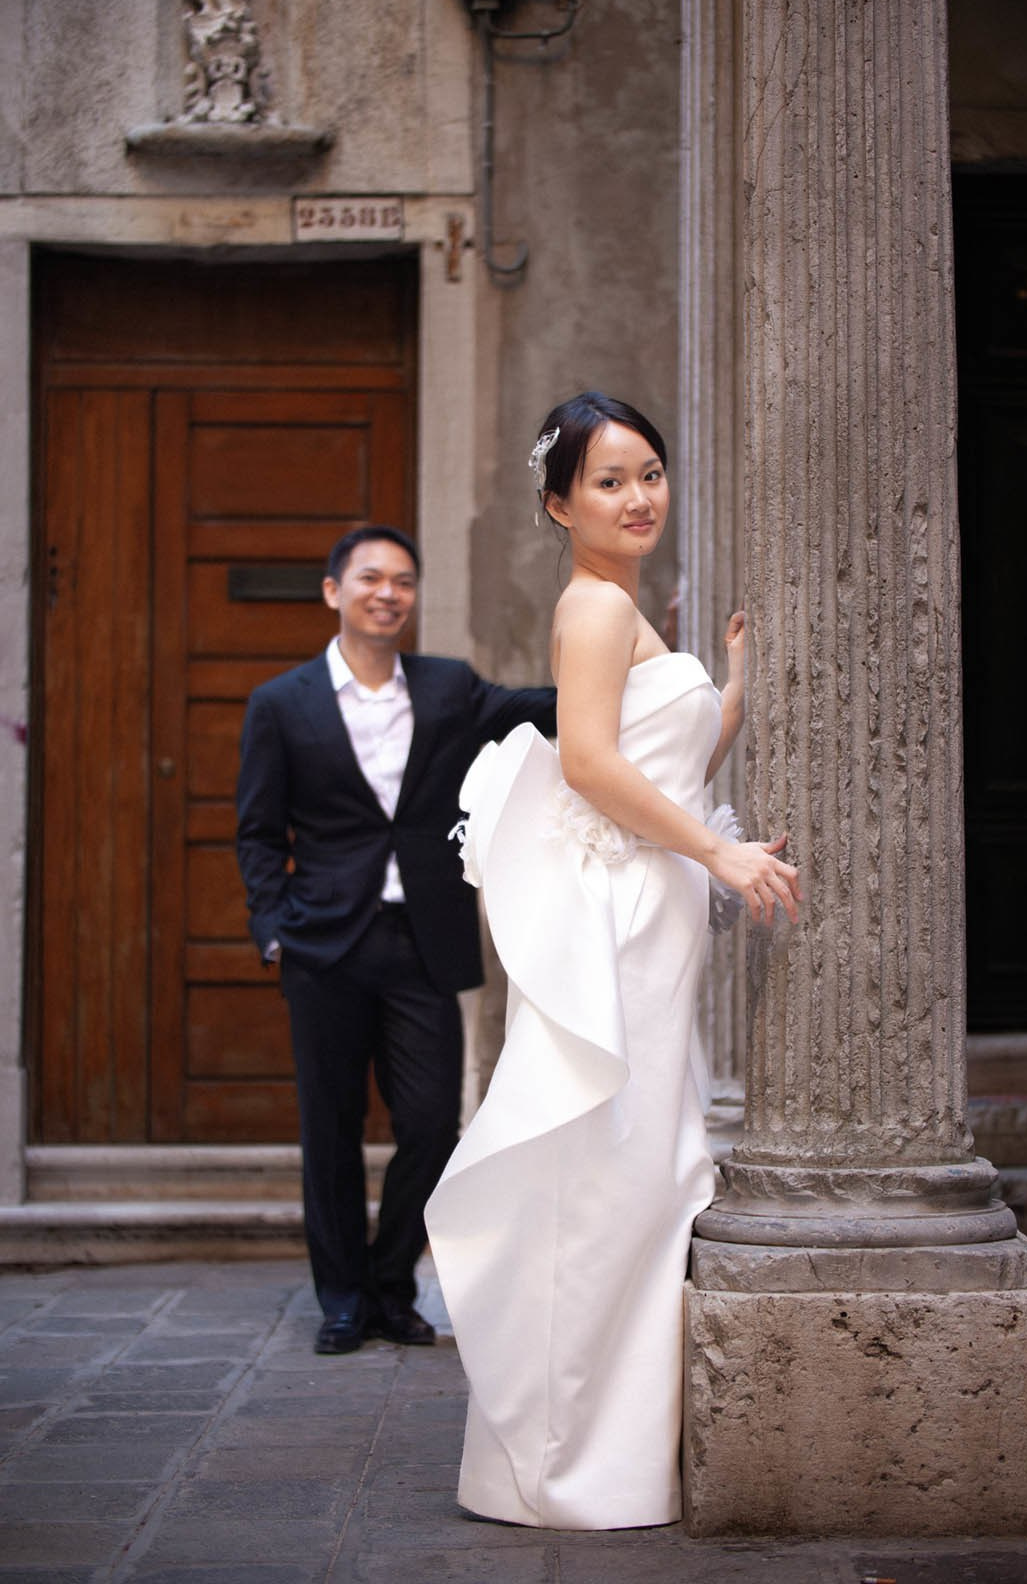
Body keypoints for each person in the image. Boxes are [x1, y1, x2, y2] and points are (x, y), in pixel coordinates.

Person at [426, 394, 801, 1529]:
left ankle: (606, 1457)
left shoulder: (624, 604)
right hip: (625, 920)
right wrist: (719, 852)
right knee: (613, 1180)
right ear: (559, 505)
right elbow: (589, 764)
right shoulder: (591, 607)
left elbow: (663, 766)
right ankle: (568, 1463)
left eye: (650, 473)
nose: (638, 497)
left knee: (647, 1173)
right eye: (607, 481)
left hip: (653, 916)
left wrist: (731, 687)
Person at [235, 525, 556, 1357]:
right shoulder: (281, 703)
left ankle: (392, 1283)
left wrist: (637, 659)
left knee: (430, 1123)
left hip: (422, 940)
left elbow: (540, 709)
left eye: (404, 581)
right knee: (331, 1129)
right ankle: (344, 1300)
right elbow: (259, 832)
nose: (389, 593)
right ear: (333, 591)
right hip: (323, 946)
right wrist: (273, 928)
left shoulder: (447, 687)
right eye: (371, 578)